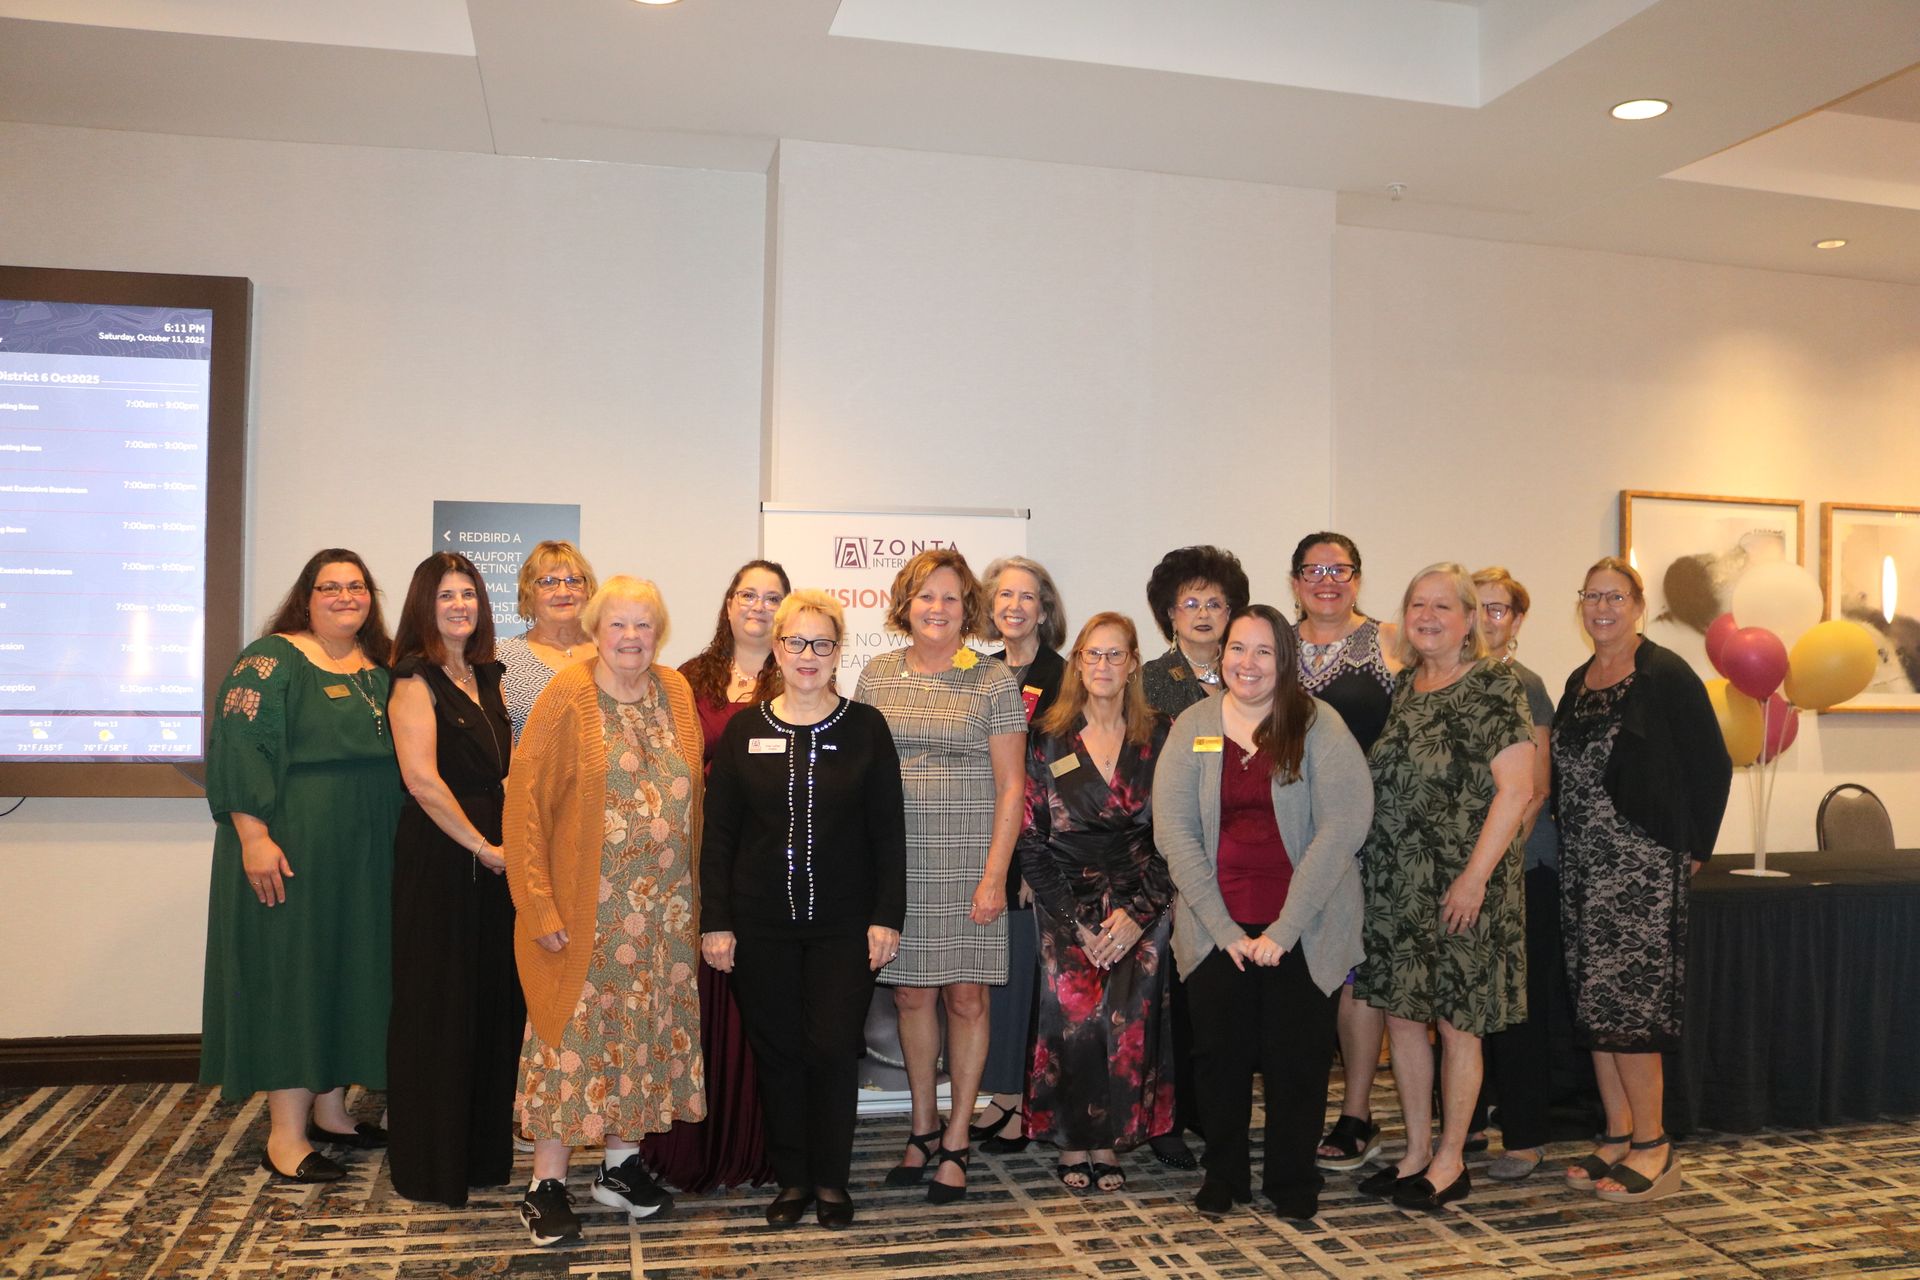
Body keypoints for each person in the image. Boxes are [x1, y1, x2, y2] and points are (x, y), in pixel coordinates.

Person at [502, 577, 706, 1246]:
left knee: (640, 1037)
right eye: (617, 624)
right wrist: (537, 906)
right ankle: (545, 1186)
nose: (630, 637)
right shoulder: (568, 694)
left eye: (643, 625)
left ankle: (619, 1169)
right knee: (572, 1044)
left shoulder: (675, 691)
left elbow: (693, 800)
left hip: (663, 918)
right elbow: (525, 805)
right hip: (585, 915)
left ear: (659, 632)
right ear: (595, 630)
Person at [1153, 605, 1373, 1220]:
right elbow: (1174, 832)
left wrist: (1285, 928)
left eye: (1263, 651)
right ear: (1222, 657)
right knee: (1217, 1060)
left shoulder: (1318, 724)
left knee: (1297, 1060)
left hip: (1307, 922)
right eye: (1237, 649)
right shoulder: (1193, 726)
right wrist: (1224, 930)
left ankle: (1292, 1178)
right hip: (1214, 923)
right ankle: (1224, 1174)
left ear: (1284, 660)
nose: (1247, 663)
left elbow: (1344, 825)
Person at [699, 590, 907, 1229]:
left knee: (832, 1048)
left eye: (822, 643)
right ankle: (793, 1179)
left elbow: (888, 833)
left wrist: (887, 916)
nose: (808, 655)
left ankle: (831, 1179)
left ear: (838, 652)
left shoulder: (866, 727)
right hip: (759, 926)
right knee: (779, 1053)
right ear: (777, 648)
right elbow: (719, 835)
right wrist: (716, 921)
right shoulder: (745, 730)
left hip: (845, 928)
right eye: (796, 642)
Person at [200, 549, 402, 1183]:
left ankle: (331, 1112)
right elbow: (239, 746)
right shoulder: (271, 660)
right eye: (329, 587)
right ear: (306, 598)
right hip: (294, 845)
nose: (345, 597)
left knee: (347, 969)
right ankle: (285, 1137)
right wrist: (253, 835)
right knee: (295, 975)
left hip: (367, 849)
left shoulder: (381, 664)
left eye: (356, 586)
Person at [1353, 564, 1535, 1212]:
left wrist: (1474, 879)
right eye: (1417, 605)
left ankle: (1452, 1160)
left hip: (1465, 889)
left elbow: (1517, 790)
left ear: (1468, 621)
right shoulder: (1406, 685)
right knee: (1403, 1020)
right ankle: (1415, 1153)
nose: (1427, 617)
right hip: (1399, 885)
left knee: (1459, 1025)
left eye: (1442, 606)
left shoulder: (1494, 685)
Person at [1555, 557, 1730, 1203]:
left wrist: (1695, 848)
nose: (1602, 608)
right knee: (1596, 1008)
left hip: (1641, 870)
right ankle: (1619, 1131)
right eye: (1592, 596)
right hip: (1583, 867)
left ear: (1638, 606)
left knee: (1630, 1011)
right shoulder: (1578, 680)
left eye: (1615, 597)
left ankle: (1654, 1145)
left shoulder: (1665, 674)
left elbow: (1712, 764)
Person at [854, 549, 1027, 1204]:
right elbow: (858, 776)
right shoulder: (877, 675)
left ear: (967, 608)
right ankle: (922, 1128)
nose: (938, 608)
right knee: (909, 997)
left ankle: (957, 1138)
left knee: (967, 999)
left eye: (951, 597)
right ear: (906, 604)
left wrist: (995, 875)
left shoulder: (992, 680)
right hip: (898, 864)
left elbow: (1012, 787)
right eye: (926, 595)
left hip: (970, 861)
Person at [640, 560, 791, 1193]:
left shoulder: (799, 676)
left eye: (773, 597)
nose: (759, 606)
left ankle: (755, 1144)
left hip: (767, 862)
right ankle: (689, 1147)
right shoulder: (685, 679)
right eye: (748, 594)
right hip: (695, 859)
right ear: (728, 603)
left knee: (759, 1002)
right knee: (694, 1001)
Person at [1018, 612, 1173, 1194]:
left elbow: (1179, 831)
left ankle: (1109, 1140)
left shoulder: (1162, 735)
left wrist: (1139, 913)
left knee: (1130, 1023)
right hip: (1066, 900)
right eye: (1093, 654)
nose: (1103, 665)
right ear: (1078, 662)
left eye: (1115, 654)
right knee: (1074, 1025)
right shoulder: (1046, 736)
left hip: (1142, 897)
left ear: (1133, 663)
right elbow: (1030, 840)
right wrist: (1077, 923)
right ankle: (1072, 1140)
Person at [385, 552, 522, 1205]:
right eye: (446, 596)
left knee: (491, 1002)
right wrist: (481, 847)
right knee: (439, 1007)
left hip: (495, 856)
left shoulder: (487, 675)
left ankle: (482, 1157)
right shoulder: (414, 679)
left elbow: (504, 770)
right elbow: (421, 781)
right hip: (444, 858)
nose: (460, 605)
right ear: (424, 606)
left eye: (468, 594)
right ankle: (431, 1164)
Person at [1289, 532, 1403, 1173]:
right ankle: (1299, 1106)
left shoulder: (1390, 641)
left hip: (1368, 834)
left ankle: (1357, 1113)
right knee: (1299, 974)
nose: (1327, 580)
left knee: (1358, 975)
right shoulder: (1274, 645)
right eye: (1313, 570)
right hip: (1289, 836)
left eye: (1340, 569)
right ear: (1294, 581)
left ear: (1358, 578)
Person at [1138, 543, 1249, 1169]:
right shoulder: (1151, 681)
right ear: (1170, 614)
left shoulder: (1252, 675)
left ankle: (1217, 1112)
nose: (1204, 614)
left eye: (1216, 603)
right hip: (1171, 858)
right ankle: (1169, 1117)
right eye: (1190, 603)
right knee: (1172, 995)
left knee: (1225, 995)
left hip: (1242, 858)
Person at [972, 555, 1068, 1156]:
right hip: (981, 839)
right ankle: (1003, 1090)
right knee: (992, 975)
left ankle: (1022, 1099)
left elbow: (1061, 773)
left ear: (1044, 608)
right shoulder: (979, 671)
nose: (1015, 606)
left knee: (1027, 977)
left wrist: (1036, 858)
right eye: (1005, 595)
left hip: (1031, 849)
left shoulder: (1062, 677)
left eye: (1027, 596)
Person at [1468, 566, 1559, 1181]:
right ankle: (1469, 1122)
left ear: (1517, 619)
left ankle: (1525, 1138)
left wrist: (1490, 871)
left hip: (1519, 869)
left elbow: (1535, 789)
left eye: (1497, 609)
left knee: (1516, 1008)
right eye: (1475, 607)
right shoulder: (1450, 679)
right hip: (1468, 872)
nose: (1485, 619)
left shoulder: (1525, 685)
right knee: (1466, 1004)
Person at [498, 540, 598, 743]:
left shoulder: (611, 654)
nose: (563, 592)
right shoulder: (499, 660)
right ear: (529, 591)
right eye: (548, 582)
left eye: (573, 581)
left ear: (588, 591)